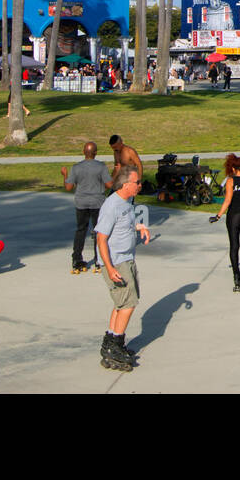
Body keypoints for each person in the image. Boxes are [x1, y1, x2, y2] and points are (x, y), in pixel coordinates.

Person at [95, 163, 151, 372]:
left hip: (126, 259)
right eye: (137, 183)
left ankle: (110, 342)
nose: (140, 185)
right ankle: (116, 345)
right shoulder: (112, 205)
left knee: (121, 303)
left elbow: (124, 225)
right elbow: (101, 238)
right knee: (128, 303)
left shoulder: (126, 202)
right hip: (116, 262)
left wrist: (140, 226)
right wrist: (109, 268)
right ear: (126, 184)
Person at [210, 154, 240, 291]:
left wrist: (218, 215)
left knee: (234, 245)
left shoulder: (230, 181)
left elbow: (228, 200)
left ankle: (237, 278)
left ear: (233, 168)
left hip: (233, 215)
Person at [62, 141, 112, 273]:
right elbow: (109, 185)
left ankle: (77, 259)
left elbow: (68, 187)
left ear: (84, 152)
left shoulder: (76, 167)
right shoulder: (101, 167)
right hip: (98, 203)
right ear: (95, 153)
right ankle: (98, 259)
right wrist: (116, 172)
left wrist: (65, 175)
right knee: (99, 231)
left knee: (81, 230)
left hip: (81, 203)